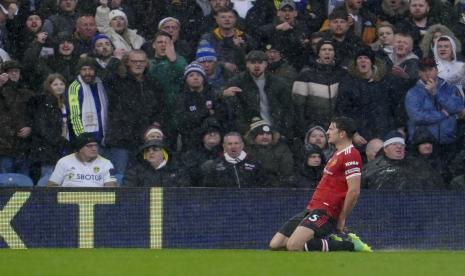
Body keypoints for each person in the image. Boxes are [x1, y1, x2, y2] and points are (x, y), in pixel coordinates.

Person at [269, 116, 372, 252]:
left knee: (294, 246)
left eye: (331, 129)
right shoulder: (336, 154)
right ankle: (330, 242)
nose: (327, 132)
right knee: (276, 244)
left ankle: (351, 245)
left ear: (342, 134)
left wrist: (341, 218)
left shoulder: (351, 154)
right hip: (312, 207)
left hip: (327, 211)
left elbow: (354, 191)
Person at [104, 49, 163, 175]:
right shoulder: (118, 81)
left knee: (143, 177)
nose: (138, 64)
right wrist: (115, 60)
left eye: (141, 61)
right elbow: (105, 77)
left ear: (146, 63)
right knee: (120, 175)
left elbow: (160, 107)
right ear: (127, 63)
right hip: (121, 139)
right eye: (134, 61)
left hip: (144, 141)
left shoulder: (153, 83)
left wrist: (156, 123)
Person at [405, 57, 465, 161]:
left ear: (436, 70)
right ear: (419, 73)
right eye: (424, 71)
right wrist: (442, 115)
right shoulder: (413, 93)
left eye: (430, 69)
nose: (427, 73)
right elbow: (417, 117)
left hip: (448, 142)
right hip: (424, 144)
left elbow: (458, 107)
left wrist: (436, 93)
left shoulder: (450, 88)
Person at [221, 50, 293, 137]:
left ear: (266, 64)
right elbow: (220, 98)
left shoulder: (279, 83)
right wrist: (223, 94)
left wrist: (283, 132)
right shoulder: (237, 81)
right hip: (249, 131)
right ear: (247, 64)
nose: (256, 65)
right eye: (253, 62)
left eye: (260, 62)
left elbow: (287, 110)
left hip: (274, 130)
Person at [292, 39, 346, 133]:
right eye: (323, 49)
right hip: (313, 128)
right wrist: (305, 127)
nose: (327, 52)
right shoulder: (305, 75)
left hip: (337, 127)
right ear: (318, 53)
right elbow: (298, 106)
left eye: (330, 50)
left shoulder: (342, 73)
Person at [362, 130, 444, 190]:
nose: (399, 147)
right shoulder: (371, 169)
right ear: (385, 149)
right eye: (394, 144)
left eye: (401, 144)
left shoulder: (419, 166)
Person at [30, 73, 70, 180]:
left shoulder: (64, 103)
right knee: (48, 178)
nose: (59, 86)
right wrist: (58, 140)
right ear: (49, 86)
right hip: (48, 149)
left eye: (61, 84)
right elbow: (42, 128)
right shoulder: (44, 103)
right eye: (55, 84)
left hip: (61, 146)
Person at [175, 62, 219, 151]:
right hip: (192, 142)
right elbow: (182, 121)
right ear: (186, 79)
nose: (195, 77)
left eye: (199, 75)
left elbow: (220, 115)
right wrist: (205, 112)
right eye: (191, 75)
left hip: (215, 138)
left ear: (203, 78)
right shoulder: (182, 98)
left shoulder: (212, 94)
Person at [0, 60, 34, 175]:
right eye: (10, 72)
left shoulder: (27, 93)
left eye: (16, 71)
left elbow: (35, 115)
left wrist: (30, 127)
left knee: (23, 183)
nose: (14, 74)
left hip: (23, 146)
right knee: (5, 183)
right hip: (4, 146)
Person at [48, 132, 117, 187]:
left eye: (96, 145)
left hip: (97, 202)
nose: (94, 149)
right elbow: (52, 186)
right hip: (69, 202)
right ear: (80, 148)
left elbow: (111, 188)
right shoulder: (64, 162)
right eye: (90, 146)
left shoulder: (106, 163)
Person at [67, 57, 108, 144]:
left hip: (106, 137)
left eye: (90, 69)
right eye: (84, 69)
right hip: (88, 140)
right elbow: (74, 116)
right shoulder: (75, 86)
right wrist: (82, 139)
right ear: (79, 71)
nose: (87, 73)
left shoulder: (101, 83)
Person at [201, 132, 266, 187]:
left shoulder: (255, 163)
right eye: (229, 144)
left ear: (242, 145)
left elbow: (264, 186)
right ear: (224, 146)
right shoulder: (215, 165)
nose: (233, 146)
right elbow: (208, 190)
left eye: (236, 143)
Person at [244, 117, 295, 187]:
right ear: (253, 136)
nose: (265, 137)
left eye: (268, 134)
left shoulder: (282, 149)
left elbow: (287, 171)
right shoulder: (246, 150)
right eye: (261, 134)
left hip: (278, 188)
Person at [123, 139, 190, 187]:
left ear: (164, 153)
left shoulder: (177, 171)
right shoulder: (135, 172)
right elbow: (128, 195)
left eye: (155, 149)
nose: (151, 152)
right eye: (147, 150)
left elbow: (183, 196)